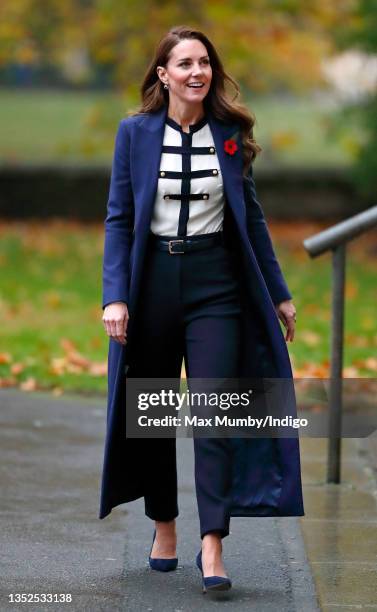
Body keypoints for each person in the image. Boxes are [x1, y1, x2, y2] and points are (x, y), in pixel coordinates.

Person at [100, 25, 304, 594]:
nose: (197, 72)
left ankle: (212, 542)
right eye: (184, 63)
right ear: (163, 75)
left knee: (215, 412)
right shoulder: (133, 134)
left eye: (205, 62)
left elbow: (253, 219)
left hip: (218, 286)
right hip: (153, 286)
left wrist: (279, 292)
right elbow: (119, 218)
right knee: (155, 415)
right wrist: (114, 296)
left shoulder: (231, 134)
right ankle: (164, 524)